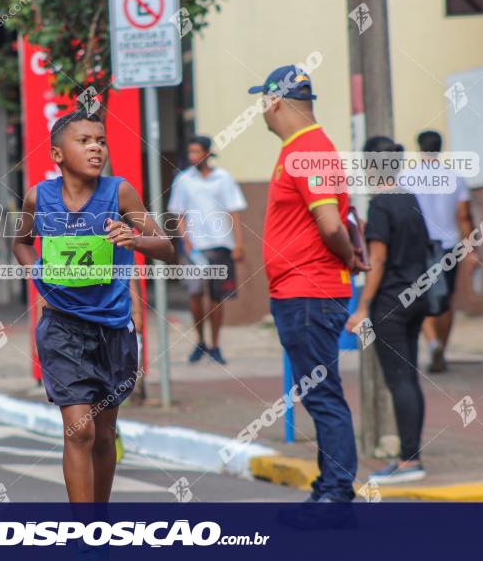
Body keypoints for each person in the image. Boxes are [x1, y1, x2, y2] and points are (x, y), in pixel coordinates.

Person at [12, 109, 174, 503]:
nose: (95, 147)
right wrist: (39, 276)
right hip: (62, 328)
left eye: (100, 140)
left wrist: (135, 240)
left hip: (113, 329)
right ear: (58, 154)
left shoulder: (120, 193)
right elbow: (20, 242)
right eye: (84, 141)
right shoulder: (39, 197)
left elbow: (168, 249)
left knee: (104, 434)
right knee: (79, 430)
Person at [253, 65, 367, 503]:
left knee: (322, 396)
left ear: (274, 101)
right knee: (320, 393)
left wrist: (347, 256)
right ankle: (328, 487)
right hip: (303, 292)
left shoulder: (310, 149)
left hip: (309, 291)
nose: (262, 111)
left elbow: (331, 222)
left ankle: (336, 495)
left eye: (262, 102)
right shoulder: (303, 149)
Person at [346, 136, 430, 484]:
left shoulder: (380, 203)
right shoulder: (409, 198)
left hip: (391, 303)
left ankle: (409, 462)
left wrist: (363, 306)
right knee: (409, 378)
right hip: (416, 297)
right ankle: (412, 455)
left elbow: (378, 259)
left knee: (399, 380)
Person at [167, 135, 247, 365]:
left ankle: (215, 345)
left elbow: (234, 212)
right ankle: (200, 341)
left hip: (221, 244)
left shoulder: (224, 178)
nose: (192, 156)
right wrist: (186, 240)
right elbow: (178, 213)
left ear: (207, 153)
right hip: (194, 248)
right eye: (190, 152)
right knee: (194, 294)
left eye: (196, 151)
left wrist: (238, 243)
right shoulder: (183, 180)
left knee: (217, 297)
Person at [413, 130, 475, 373]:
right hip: (449, 245)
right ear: (440, 148)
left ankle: (432, 343)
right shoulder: (456, 177)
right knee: (446, 299)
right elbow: (463, 216)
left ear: (419, 147)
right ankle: (443, 348)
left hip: (421, 245)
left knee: (423, 297)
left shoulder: (408, 177)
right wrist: (470, 250)